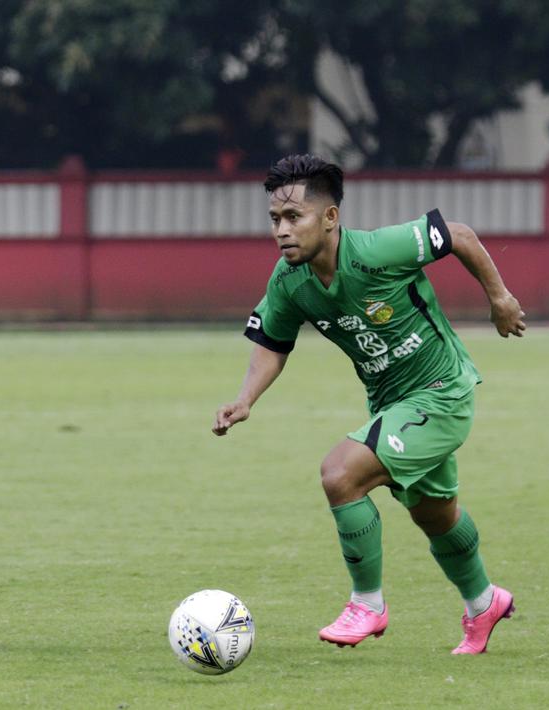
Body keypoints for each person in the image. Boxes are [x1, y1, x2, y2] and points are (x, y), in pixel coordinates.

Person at [213, 154, 526, 655]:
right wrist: (245, 399)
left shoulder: (378, 251)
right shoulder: (289, 282)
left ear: (330, 218)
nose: (281, 231)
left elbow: (459, 234)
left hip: (442, 393)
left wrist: (500, 299)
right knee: (436, 515)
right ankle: (483, 602)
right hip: (390, 403)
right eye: (275, 219)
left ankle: (368, 604)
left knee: (341, 473)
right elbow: (273, 341)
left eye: (294, 217)